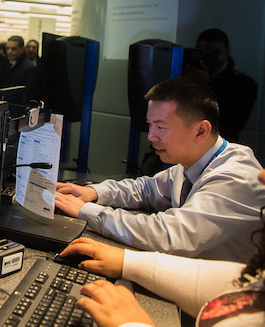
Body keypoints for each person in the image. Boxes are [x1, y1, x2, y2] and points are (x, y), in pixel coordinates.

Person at [55, 76, 265, 262]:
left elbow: (170, 234)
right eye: (150, 125)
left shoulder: (235, 177)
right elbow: (147, 189)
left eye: (161, 127)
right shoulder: (193, 161)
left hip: (226, 296)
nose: (151, 136)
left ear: (201, 131)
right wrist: (94, 192)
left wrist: (87, 211)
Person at [60, 166, 265, 326]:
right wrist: (128, 262)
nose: (262, 176)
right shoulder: (187, 167)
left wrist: (132, 324)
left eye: (160, 126)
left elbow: (174, 235)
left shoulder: (236, 177)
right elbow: (245, 283)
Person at [184, 28, 257, 143]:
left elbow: (233, 125)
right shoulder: (186, 75)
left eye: (216, 53)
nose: (211, 57)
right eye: (205, 52)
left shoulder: (245, 84)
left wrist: (208, 86)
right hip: (184, 143)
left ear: (228, 51)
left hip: (219, 150)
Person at [6, 35, 39, 100]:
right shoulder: (5, 64)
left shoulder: (29, 68)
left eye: (13, 49)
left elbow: (27, 94)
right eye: (7, 48)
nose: (9, 52)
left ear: (22, 49)